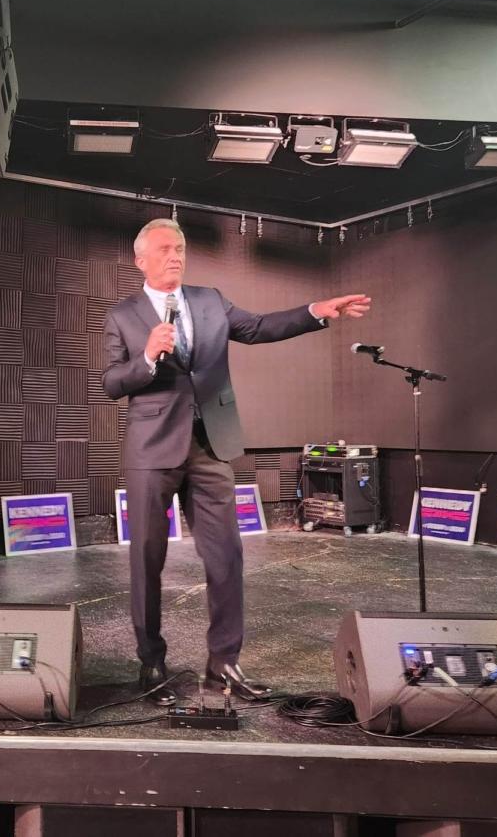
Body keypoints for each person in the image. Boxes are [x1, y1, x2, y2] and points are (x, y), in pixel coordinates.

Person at [102, 218, 370, 705]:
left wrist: (316, 311)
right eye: (164, 249)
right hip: (152, 451)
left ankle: (224, 665)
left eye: (179, 247)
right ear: (140, 260)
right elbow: (112, 383)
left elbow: (261, 328)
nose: (175, 255)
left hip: (212, 448)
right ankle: (152, 663)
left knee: (226, 558)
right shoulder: (123, 314)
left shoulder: (210, 300)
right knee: (147, 560)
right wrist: (145, 359)